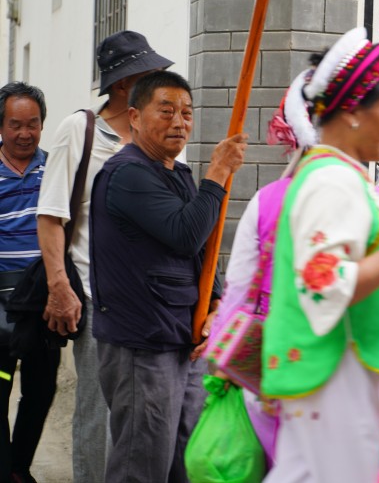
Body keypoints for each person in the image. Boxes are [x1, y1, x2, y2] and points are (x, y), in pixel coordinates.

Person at [224, 27, 379, 482]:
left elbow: (338, 275)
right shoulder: (333, 182)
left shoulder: (336, 178)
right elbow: (324, 285)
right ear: (355, 113)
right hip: (331, 375)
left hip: (332, 372)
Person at [89, 70, 246, 482]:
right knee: (141, 465)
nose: (179, 121)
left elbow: (203, 248)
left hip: (182, 338)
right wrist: (217, 174)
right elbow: (184, 234)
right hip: (143, 346)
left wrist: (213, 303)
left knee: (184, 460)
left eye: (187, 112)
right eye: (167, 110)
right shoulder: (128, 173)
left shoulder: (176, 173)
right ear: (136, 116)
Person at [36, 30, 173, 483]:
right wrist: (60, 287)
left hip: (147, 301)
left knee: (139, 415)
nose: (158, 83)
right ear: (123, 84)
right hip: (96, 297)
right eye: (150, 75)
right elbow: (52, 215)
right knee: (98, 412)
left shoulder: (152, 136)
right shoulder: (80, 130)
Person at [0, 83, 54, 483]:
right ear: (1, 127)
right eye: (15, 125)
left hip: (43, 304)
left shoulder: (55, 170)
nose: (24, 133)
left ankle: (19, 468)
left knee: (40, 391)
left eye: (32, 124)